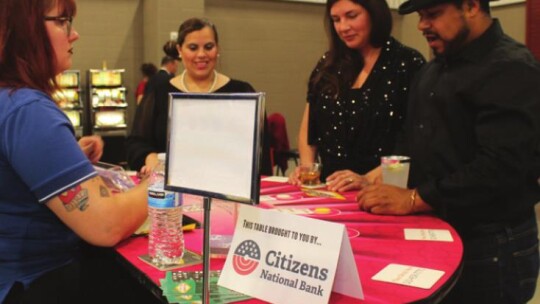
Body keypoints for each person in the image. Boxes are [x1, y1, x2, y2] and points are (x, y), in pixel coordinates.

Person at [356, 0, 540, 302]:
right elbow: (412, 140)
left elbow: (500, 167)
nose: (421, 25)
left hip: (491, 242)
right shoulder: (432, 70)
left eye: (432, 15)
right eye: (419, 16)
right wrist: (381, 183)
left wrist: (413, 199)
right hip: (436, 229)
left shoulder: (512, 67)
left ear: (470, 6)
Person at [0, 0, 149, 302]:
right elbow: (106, 225)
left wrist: (70, 157)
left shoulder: (9, 98)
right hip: (36, 283)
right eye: (62, 21)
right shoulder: (29, 109)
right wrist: (160, 182)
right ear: (26, 30)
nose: (74, 34)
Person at [288, 0, 425, 191]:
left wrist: (367, 179)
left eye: (352, 16)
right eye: (336, 20)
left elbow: (414, 141)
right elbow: (308, 129)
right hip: (330, 190)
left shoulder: (407, 63)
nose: (343, 27)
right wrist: (307, 168)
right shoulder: (329, 64)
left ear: (374, 14)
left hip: (382, 192)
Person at [126, 17, 272, 175]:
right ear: (180, 50)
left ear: (218, 49)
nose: (201, 54)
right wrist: (150, 157)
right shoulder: (158, 92)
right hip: (170, 194)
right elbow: (136, 143)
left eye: (209, 47)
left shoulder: (243, 92)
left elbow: (260, 151)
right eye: (193, 47)